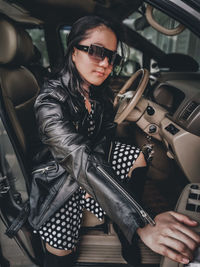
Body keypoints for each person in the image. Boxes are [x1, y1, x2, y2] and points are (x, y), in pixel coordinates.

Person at [32, 15, 200, 267]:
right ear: (74, 51)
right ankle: (58, 258)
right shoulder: (50, 102)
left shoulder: (96, 91)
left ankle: (125, 235)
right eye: (97, 52)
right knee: (62, 230)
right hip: (57, 174)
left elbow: (101, 141)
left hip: (87, 161)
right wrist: (142, 221)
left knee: (136, 155)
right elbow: (77, 156)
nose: (106, 64)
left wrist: (96, 184)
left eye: (112, 57)